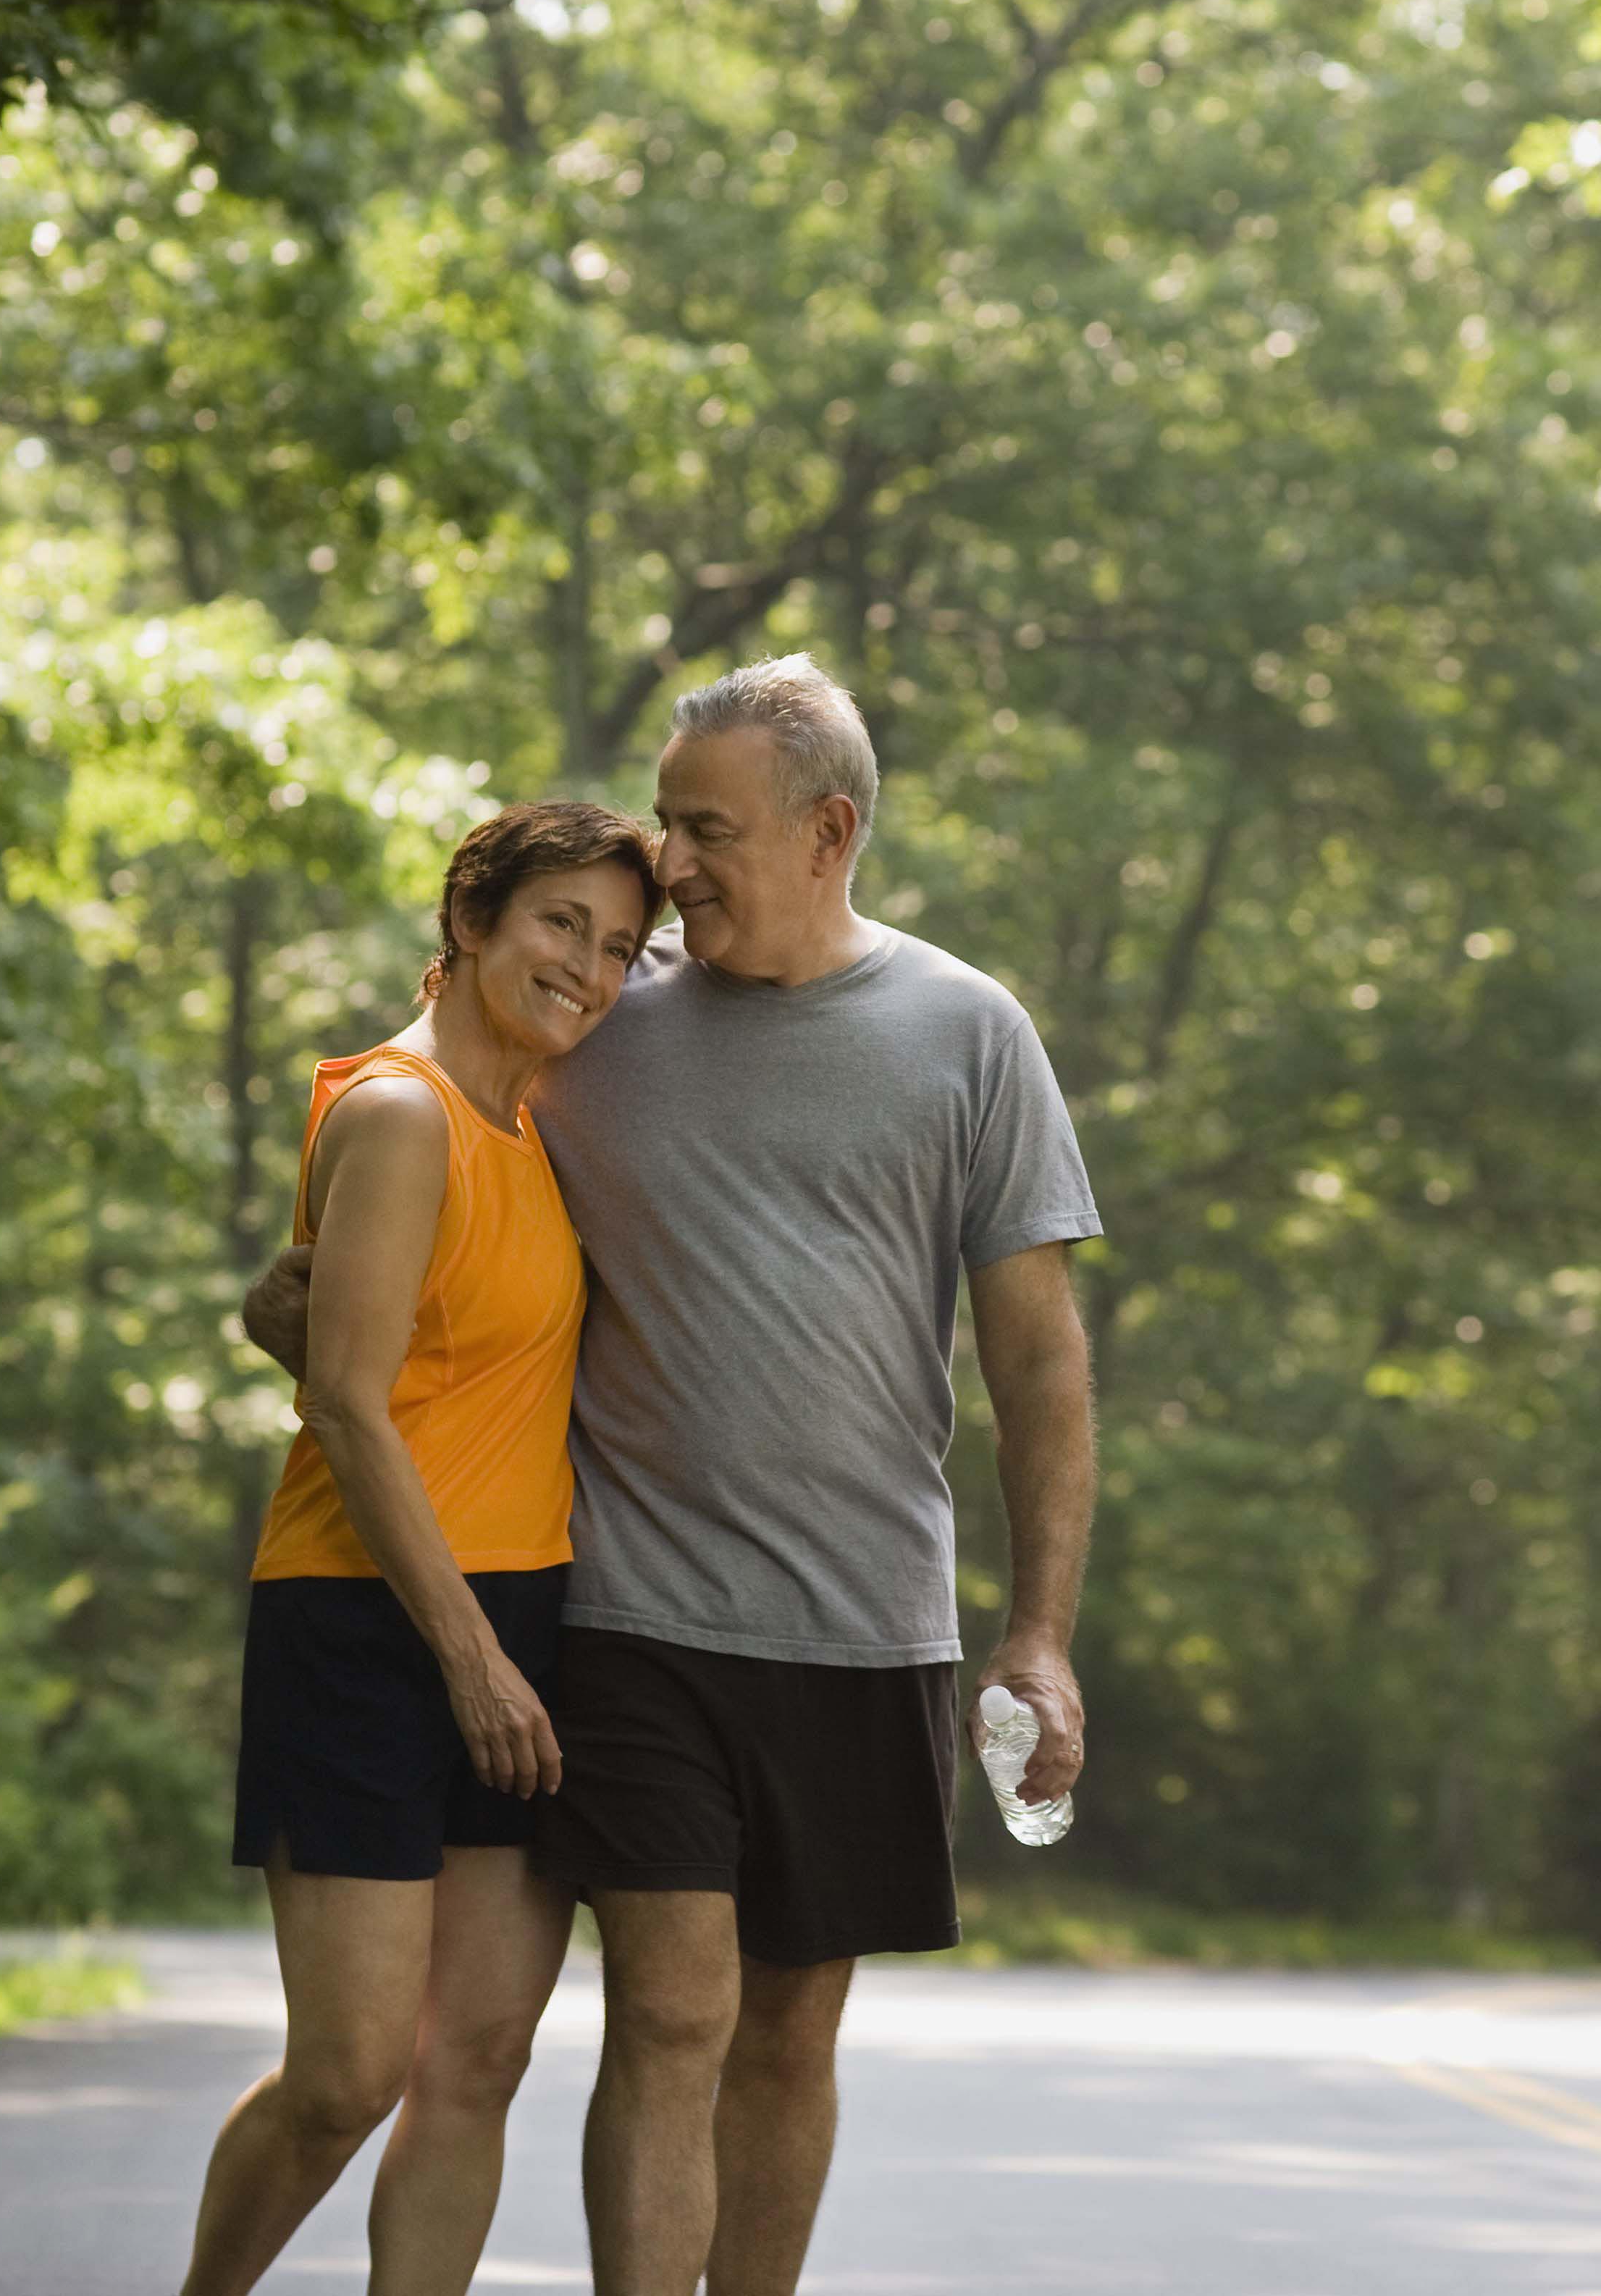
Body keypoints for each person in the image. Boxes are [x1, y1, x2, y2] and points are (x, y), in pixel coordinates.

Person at [247, 653, 1101, 2296]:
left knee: (786, 2030)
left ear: (827, 828)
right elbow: (406, 1135)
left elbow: (1040, 1361)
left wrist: (1041, 1630)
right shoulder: (596, 1026)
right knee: (677, 2001)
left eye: (704, 828)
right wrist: (279, 1293)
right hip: (628, 1611)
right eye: (665, 821)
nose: (670, 864)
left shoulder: (969, 1032)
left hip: (865, 1621)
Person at [181, 802, 657, 2296]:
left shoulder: (535, 1124)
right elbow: (347, 1399)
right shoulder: (400, 1109)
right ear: (471, 919)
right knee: (348, 2072)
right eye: (560, 923)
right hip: (370, 1618)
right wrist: (469, 1660)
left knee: (481, 2055)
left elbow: (401, 1356)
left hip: (516, 1607)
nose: (589, 966)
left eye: (621, 946)